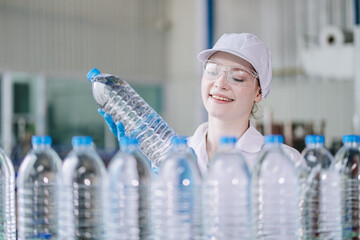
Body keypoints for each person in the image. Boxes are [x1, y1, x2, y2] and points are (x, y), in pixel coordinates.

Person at [98, 32, 301, 176]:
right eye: (212, 70)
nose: (220, 83)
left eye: (237, 77)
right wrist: (137, 168)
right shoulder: (170, 156)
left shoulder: (285, 162)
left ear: (259, 92)